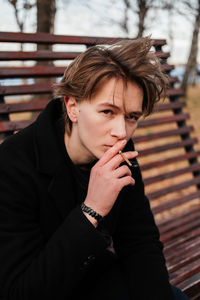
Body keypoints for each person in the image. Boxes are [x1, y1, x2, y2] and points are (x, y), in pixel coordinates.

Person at [0, 37, 189, 300]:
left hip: (96, 278)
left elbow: (139, 241)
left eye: (131, 117)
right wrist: (92, 210)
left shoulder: (118, 150)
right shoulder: (13, 165)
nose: (121, 132)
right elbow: (20, 292)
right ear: (73, 106)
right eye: (108, 112)